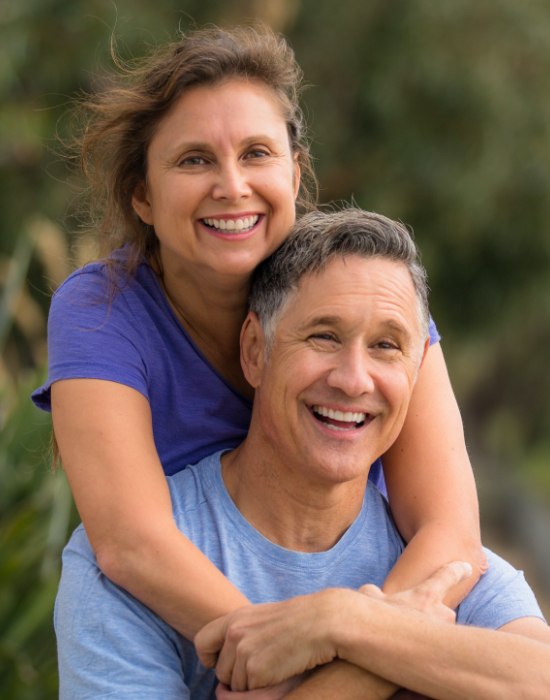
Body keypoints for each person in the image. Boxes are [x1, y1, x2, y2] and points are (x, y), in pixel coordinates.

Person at [32, 24, 483, 694]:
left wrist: (340, 641)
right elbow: (132, 544)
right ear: (143, 196)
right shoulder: (102, 310)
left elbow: (450, 534)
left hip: (361, 582)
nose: (232, 185)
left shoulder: (363, 293)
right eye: (193, 161)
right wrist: (290, 658)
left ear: (295, 174)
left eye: (257, 153)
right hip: (193, 644)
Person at [55, 208, 549, 700]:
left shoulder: (440, 568)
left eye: (385, 345)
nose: (354, 379)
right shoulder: (128, 577)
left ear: (417, 373)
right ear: (254, 350)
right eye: (324, 337)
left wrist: (342, 621)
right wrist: (396, 648)